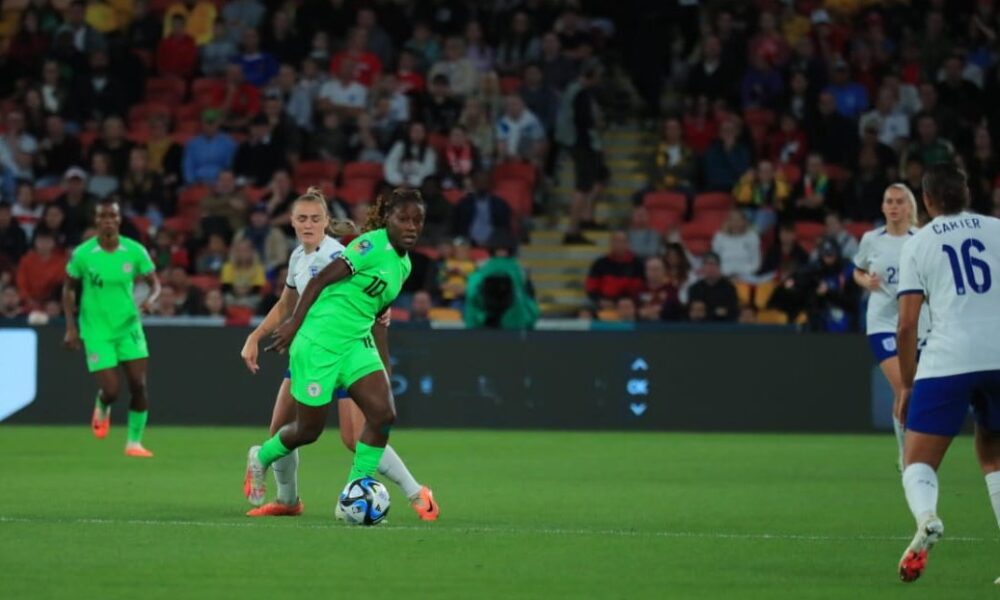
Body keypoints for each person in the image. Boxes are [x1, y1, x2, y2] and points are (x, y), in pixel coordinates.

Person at [243, 188, 438, 522]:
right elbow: (319, 283)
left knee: (383, 414)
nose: (411, 227)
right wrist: (292, 325)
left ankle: (355, 491)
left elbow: (379, 317)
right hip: (319, 344)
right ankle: (262, 457)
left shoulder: (403, 265)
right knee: (308, 431)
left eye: (417, 220)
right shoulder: (369, 245)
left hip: (355, 345)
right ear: (388, 218)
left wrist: (384, 369)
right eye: (403, 219)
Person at [894, 164, 1000, 583]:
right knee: (993, 456)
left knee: (917, 462)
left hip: (948, 359)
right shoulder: (997, 229)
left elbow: (906, 325)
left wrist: (906, 383)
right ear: (967, 192)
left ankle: (927, 518)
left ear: (927, 201)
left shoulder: (918, 245)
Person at [62, 199, 161, 457]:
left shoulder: (134, 250)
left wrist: (150, 300)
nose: (108, 220)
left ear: (118, 220)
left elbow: (155, 283)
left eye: (112, 215)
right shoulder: (83, 254)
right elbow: (68, 288)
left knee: (138, 385)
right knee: (111, 390)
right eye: (103, 215)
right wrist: (71, 327)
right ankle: (102, 404)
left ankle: (134, 443)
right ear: (96, 221)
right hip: (96, 329)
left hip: (129, 325)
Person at [853, 184, 928, 470]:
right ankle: (906, 453)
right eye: (889, 201)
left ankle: (912, 448)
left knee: (913, 391)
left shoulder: (921, 238)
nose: (894, 206)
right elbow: (858, 269)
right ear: (883, 207)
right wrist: (864, 281)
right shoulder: (871, 239)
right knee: (904, 387)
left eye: (899, 201)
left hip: (919, 324)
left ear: (909, 207)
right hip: (883, 324)